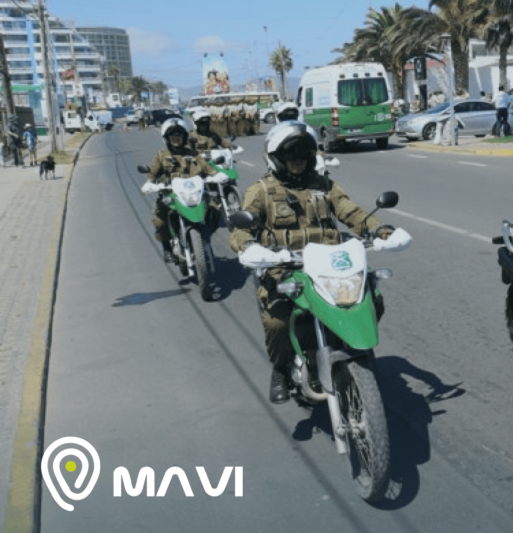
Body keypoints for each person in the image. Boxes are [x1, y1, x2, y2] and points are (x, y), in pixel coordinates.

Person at [228, 122, 402, 403]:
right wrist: (248, 246)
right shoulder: (260, 191)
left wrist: (381, 230)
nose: (298, 163)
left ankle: (353, 349)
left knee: (373, 299)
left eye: (303, 156)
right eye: (291, 157)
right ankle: (281, 369)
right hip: (285, 269)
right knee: (277, 322)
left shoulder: (325, 186)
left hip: (330, 265)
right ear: (277, 159)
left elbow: (351, 211)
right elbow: (240, 228)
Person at [141, 118, 225, 263]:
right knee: (160, 220)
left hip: (195, 193)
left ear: (184, 137)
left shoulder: (194, 154)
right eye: (172, 136)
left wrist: (217, 174)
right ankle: (167, 247)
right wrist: (150, 184)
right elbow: (152, 175)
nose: (176, 139)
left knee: (215, 210)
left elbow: (207, 168)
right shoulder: (161, 156)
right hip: (171, 195)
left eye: (179, 136)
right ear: (167, 138)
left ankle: (204, 238)